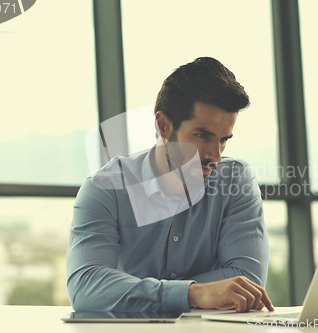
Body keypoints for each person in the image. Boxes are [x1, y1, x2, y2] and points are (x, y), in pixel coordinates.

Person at [66, 57, 274, 313]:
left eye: (223, 140)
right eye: (202, 135)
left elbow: (247, 281)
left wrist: (134, 292)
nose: (215, 156)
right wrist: (192, 293)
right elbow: (86, 287)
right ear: (163, 126)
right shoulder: (106, 189)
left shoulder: (235, 181)